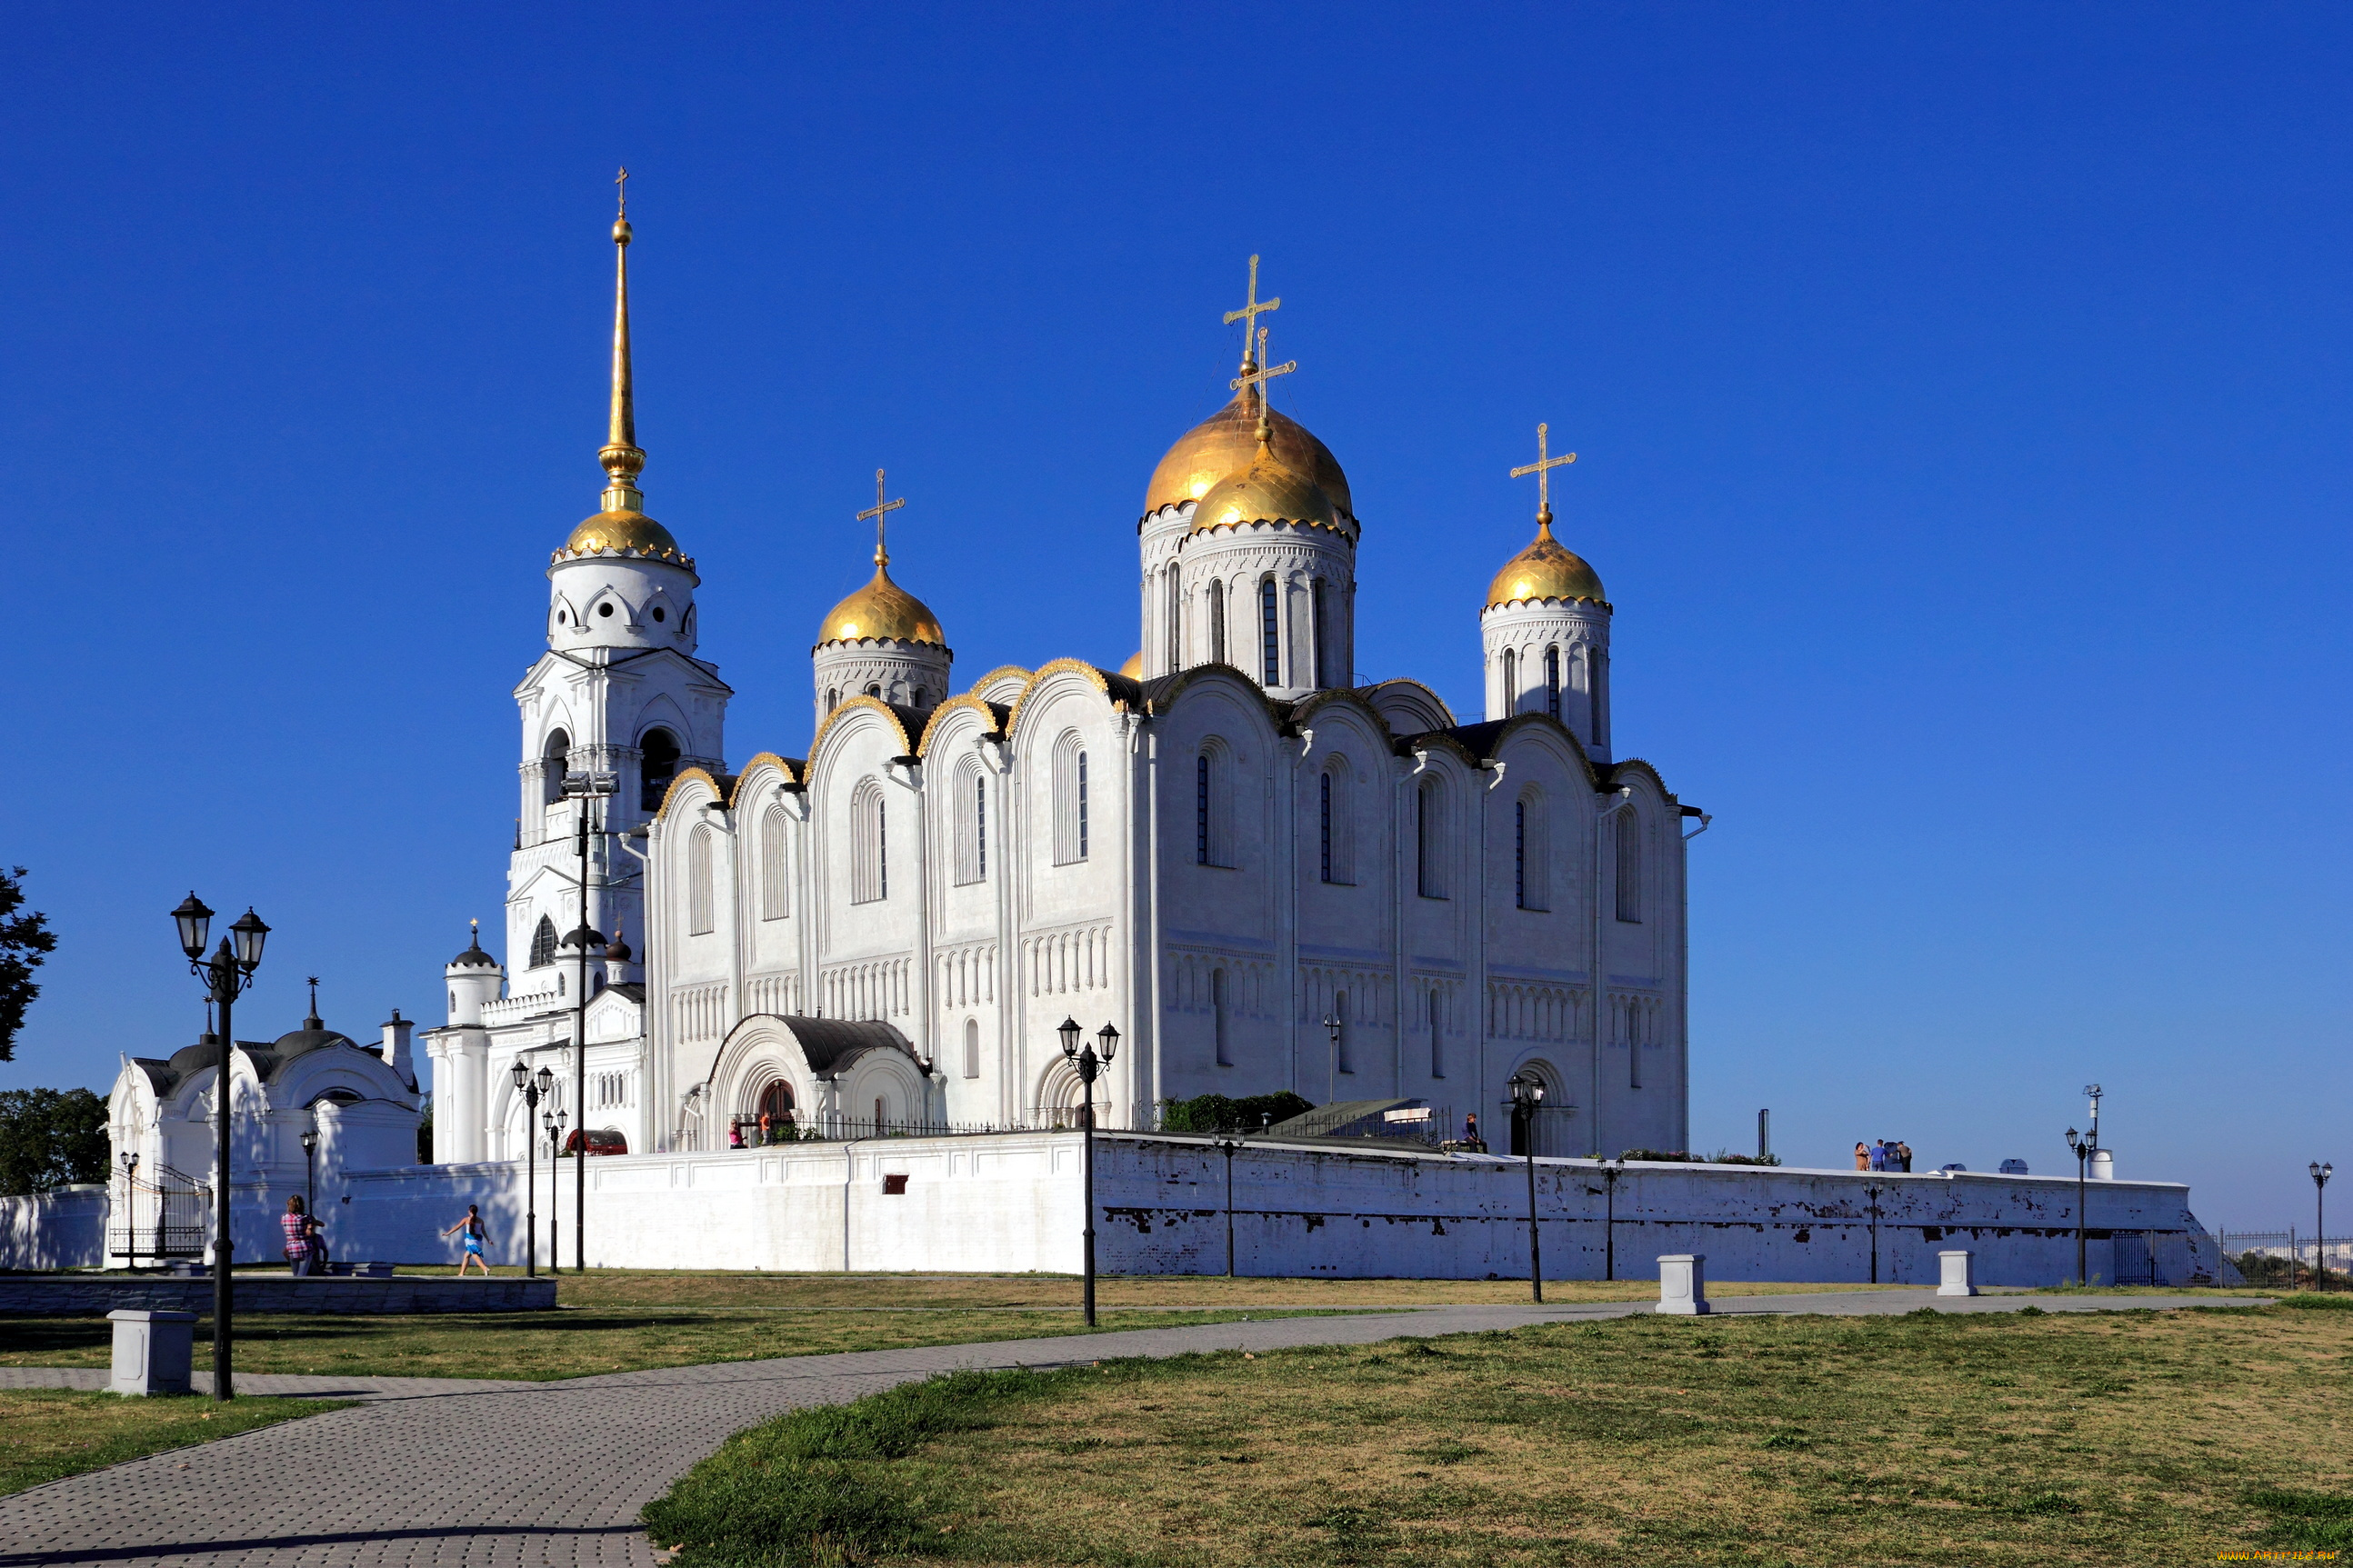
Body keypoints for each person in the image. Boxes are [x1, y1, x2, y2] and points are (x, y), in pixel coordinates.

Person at [442, 1203, 491, 1276]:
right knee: (466, 1256)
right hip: (478, 1241)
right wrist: (488, 1240)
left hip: (470, 1240)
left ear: (470, 1211)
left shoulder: (466, 1219)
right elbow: (483, 1231)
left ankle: (484, 1268)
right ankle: (461, 1273)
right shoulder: (481, 1220)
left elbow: (457, 1227)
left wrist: (448, 1233)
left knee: (474, 1255)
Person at [281, 1195, 316, 1276]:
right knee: (302, 1275)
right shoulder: (306, 1218)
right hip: (305, 1248)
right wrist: (311, 1227)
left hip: (292, 1248)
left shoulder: (284, 1217)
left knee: (295, 1275)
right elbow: (309, 1234)